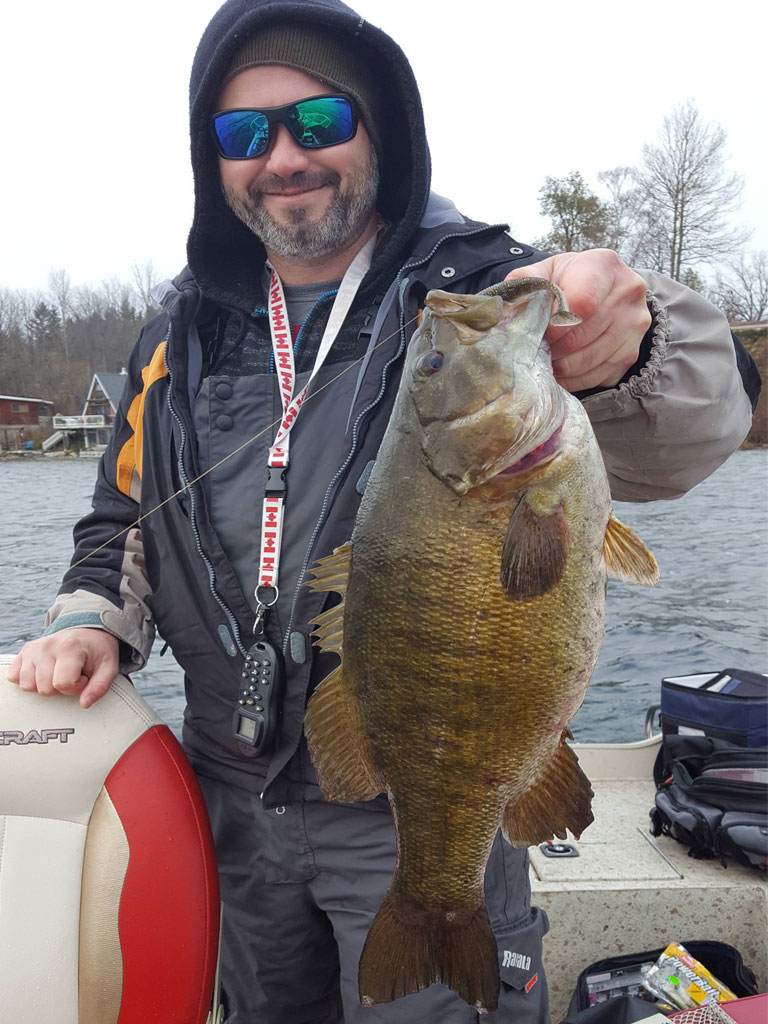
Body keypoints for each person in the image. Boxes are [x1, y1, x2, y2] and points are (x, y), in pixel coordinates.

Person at [8, 0, 760, 1021]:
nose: (282, 157)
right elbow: (122, 515)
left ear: (383, 128)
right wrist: (92, 613)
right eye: (243, 134)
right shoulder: (173, 337)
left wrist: (635, 343)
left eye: (318, 122)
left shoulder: (480, 296)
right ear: (213, 161)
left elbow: (698, 426)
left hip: (420, 780)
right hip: (229, 793)